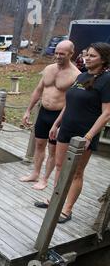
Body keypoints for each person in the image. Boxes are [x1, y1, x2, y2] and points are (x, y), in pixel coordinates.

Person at [41, 42, 110, 223]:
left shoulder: (107, 80)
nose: (86, 58)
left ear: (104, 59)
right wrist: (56, 124)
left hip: (84, 134)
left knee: (76, 172)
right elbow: (69, 104)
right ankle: (55, 200)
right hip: (66, 129)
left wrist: (89, 136)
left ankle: (67, 209)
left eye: (92, 56)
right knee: (59, 166)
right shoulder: (82, 76)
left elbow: (107, 113)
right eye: (86, 54)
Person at [20, 40, 81, 190]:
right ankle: (35, 173)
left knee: (52, 149)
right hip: (43, 112)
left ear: (71, 54)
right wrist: (28, 110)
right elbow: (38, 90)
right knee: (39, 144)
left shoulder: (76, 75)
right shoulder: (49, 69)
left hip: (59, 116)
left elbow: (71, 102)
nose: (58, 56)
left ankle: (44, 179)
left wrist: (60, 123)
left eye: (62, 54)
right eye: (56, 53)